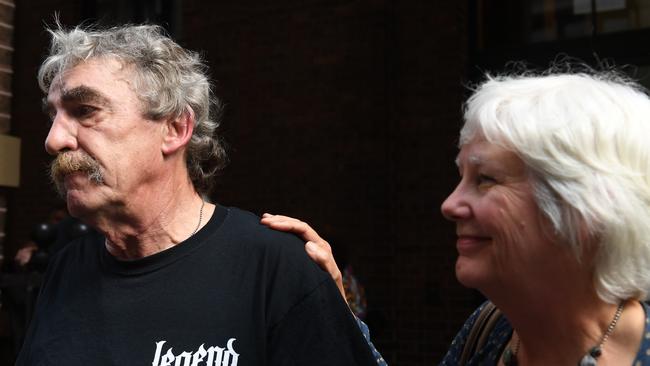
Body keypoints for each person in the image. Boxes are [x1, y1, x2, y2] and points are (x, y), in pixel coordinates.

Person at [16, 23, 378, 366]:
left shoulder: (277, 268)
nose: (53, 140)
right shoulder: (66, 269)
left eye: (85, 111)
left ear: (175, 128)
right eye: (54, 116)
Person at [263, 68, 650, 365]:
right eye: (461, 176)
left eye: (486, 179)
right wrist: (340, 308)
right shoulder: (490, 330)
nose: (449, 205)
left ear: (583, 204)